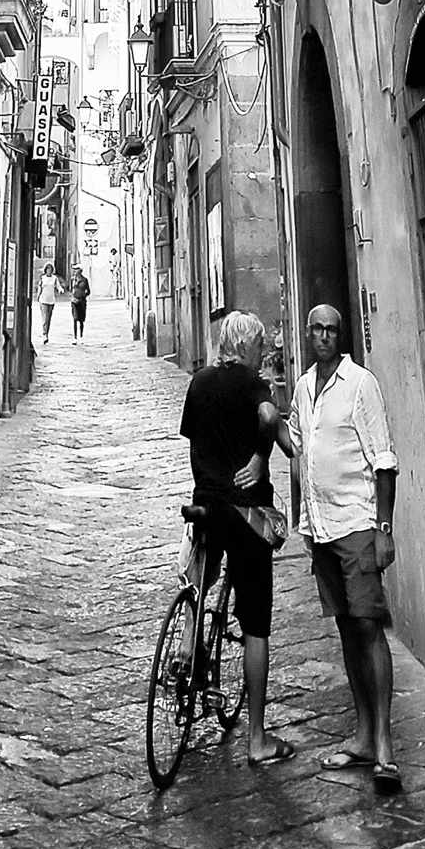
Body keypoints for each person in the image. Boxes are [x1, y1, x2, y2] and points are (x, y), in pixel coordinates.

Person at [288, 304, 401, 792]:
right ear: (308, 333)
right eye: (317, 328)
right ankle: (360, 736)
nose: (324, 336)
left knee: (369, 626)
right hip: (320, 527)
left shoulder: (361, 384)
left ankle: (385, 747)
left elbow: (384, 460)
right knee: (346, 629)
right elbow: (295, 445)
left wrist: (384, 527)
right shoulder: (302, 386)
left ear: (341, 335)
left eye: (332, 329)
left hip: (356, 522)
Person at [178, 310, 296, 768]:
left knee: (197, 577)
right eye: (261, 346)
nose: (264, 354)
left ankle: (187, 644)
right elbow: (268, 416)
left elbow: (194, 447)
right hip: (245, 513)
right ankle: (258, 741)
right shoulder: (252, 383)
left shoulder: (200, 382)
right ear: (247, 348)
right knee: (255, 626)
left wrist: (209, 485)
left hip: (206, 502)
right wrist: (261, 453)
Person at [36, 263, 61, 345]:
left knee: (49, 318)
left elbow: (58, 286)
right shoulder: (42, 278)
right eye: (48, 270)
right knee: (45, 318)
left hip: (51, 300)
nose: (49, 271)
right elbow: (40, 287)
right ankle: (44, 334)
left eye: (50, 270)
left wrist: (61, 290)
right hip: (43, 300)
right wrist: (38, 295)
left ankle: (47, 333)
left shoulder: (55, 278)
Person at [68, 263, 90, 340]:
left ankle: (81, 336)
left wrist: (83, 296)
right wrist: (72, 297)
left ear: (80, 270)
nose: (74, 271)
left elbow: (88, 291)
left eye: (76, 269)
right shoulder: (72, 280)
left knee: (81, 320)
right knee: (75, 318)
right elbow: (71, 290)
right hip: (74, 301)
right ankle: (75, 337)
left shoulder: (85, 280)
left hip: (82, 302)